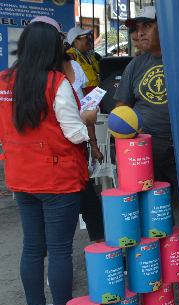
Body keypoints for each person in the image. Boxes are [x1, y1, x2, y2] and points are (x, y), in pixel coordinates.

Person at [0, 17, 98, 305]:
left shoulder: (3, 80)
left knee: (32, 247)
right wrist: (87, 121)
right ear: (50, 48)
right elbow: (73, 134)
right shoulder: (56, 82)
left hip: (20, 176)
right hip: (57, 178)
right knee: (58, 250)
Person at [114, 6, 176, 187]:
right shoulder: (136, 65)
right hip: (146, 143)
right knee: (152, 202)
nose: (140, 33)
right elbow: (122, 109)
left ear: (165, 27)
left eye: (147, 26)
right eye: (138, 28)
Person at [61, 41, 105, 243]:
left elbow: (88, 104)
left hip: (78, 148)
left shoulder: (75, 65)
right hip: (59, 152)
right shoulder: (48, 78)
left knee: (89, 203)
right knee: (61, 216)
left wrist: (94, 144)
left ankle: (102, 248)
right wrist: (83, 120)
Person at [66, 26, 101, 94]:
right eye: (87, 37)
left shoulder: (90, 56)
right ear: (76, 41)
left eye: (90, 36)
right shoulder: (71, 55)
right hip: (85, 94)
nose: (90, 39)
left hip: (97, 93)